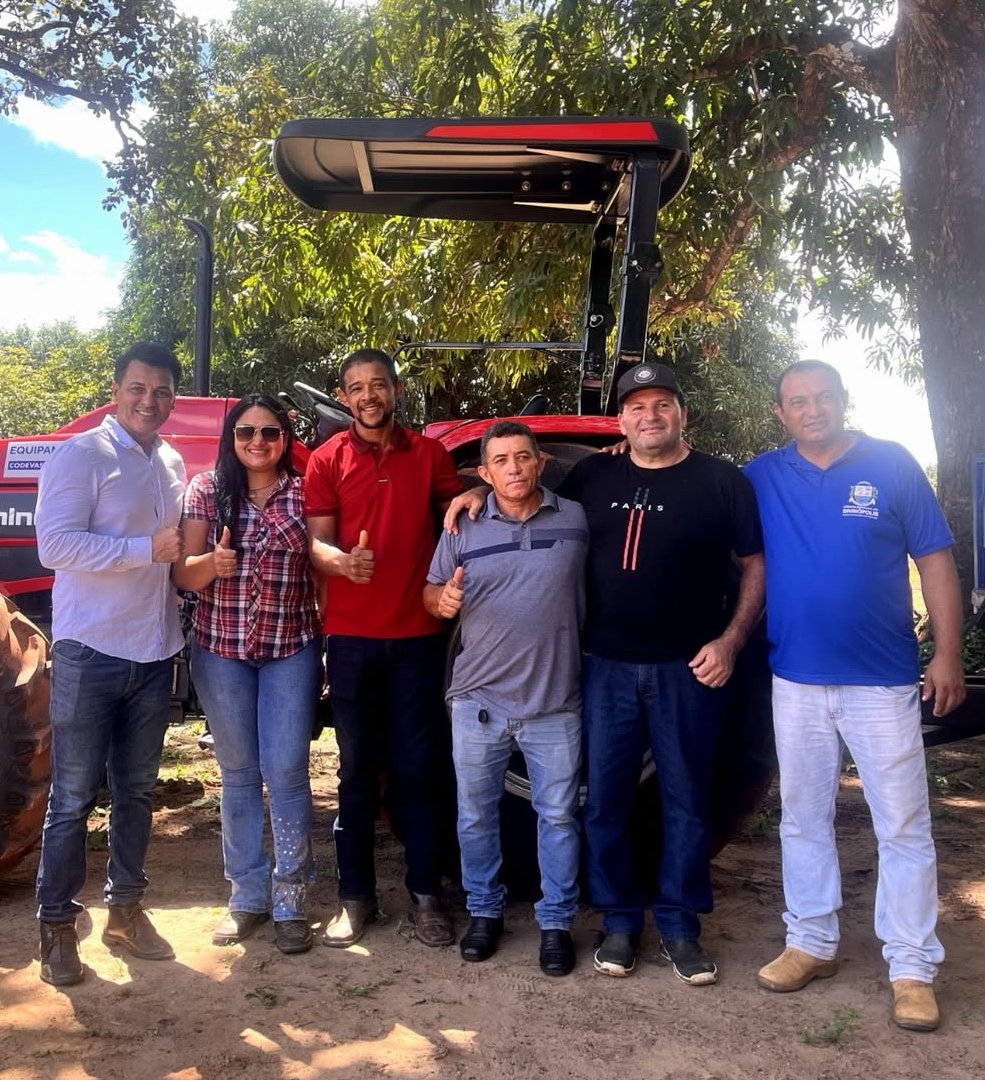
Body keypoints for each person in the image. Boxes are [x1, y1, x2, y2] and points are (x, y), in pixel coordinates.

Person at [450, 362, 765, 984]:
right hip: (604, 668)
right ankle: (620, 921)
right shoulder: (594, 473)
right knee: (605, 804)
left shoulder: (722, 482)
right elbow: (525, 495)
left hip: (687, 670)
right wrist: (477, 493)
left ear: (682, 412)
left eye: (662, 405)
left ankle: (679, 926)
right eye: (637, 407)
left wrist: (731, 641)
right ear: (620, 419)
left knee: (687, 801)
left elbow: (753, 566)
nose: (650, 416)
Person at [743, 359, 966, 1032]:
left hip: (882, 678)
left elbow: (935, 562)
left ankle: (911, 967)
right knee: (802, 816)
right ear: (780, 412)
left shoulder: (892, 464)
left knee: (901, 824)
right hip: (796, 680)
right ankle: (812, 942)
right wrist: (617, 454)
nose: (812, 408)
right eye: (797, 400)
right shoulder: (760, 476)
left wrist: (948, 653)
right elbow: (689, 483)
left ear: (843, 400)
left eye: (823, 397)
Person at [34, 341, 186, 987]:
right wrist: (140, 549)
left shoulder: (172, 461)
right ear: (117, 389)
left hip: (154, 651)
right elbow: (53, 544)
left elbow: (179, 553)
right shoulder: (82, 454)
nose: (149, 401)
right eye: (138, 388)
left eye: (161, 392)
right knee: (71, 798)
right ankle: (56, 929)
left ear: (172, 398)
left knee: (136, 794)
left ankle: (126, 910)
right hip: (89, 650)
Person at [304, 348, 466, 948]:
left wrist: (469, 495)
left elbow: (457, 505)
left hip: (417, 641)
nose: (368, 395)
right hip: (350, 641)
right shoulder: (326, 460)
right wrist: (342, 562)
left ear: (395, 391)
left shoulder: (428, 455)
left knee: (418, 771)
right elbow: (315, 545)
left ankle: (427, 898)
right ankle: (356, 900)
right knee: (355, 774)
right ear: (344, 397)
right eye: (356, 387)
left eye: (378, 385)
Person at [425, 420, 588, 976]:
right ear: (485, 471)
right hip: (478, 700)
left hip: (554, 704)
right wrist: (440, 601)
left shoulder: (576, 518)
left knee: (559, 817)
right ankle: (484, 912)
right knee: (474, 816)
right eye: (501, 461)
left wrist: (618, 443)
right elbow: (429, 592)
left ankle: (556, 922)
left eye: (523, 457)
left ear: (540, 463)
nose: (513, 468)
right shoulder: (463, 525)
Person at [173, 394, 320, 955]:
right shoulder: (206, 490)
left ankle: (291, 900)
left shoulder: (306, 492)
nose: (257, 442)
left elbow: (322, 560)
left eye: (270, 432)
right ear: (230, 438)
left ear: (285, 438)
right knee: (237, 772)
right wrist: (214, 563)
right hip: (222, 649)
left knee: (286, 772)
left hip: (291, 648)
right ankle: (246, 897)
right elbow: (183, 576)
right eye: (245, 432)